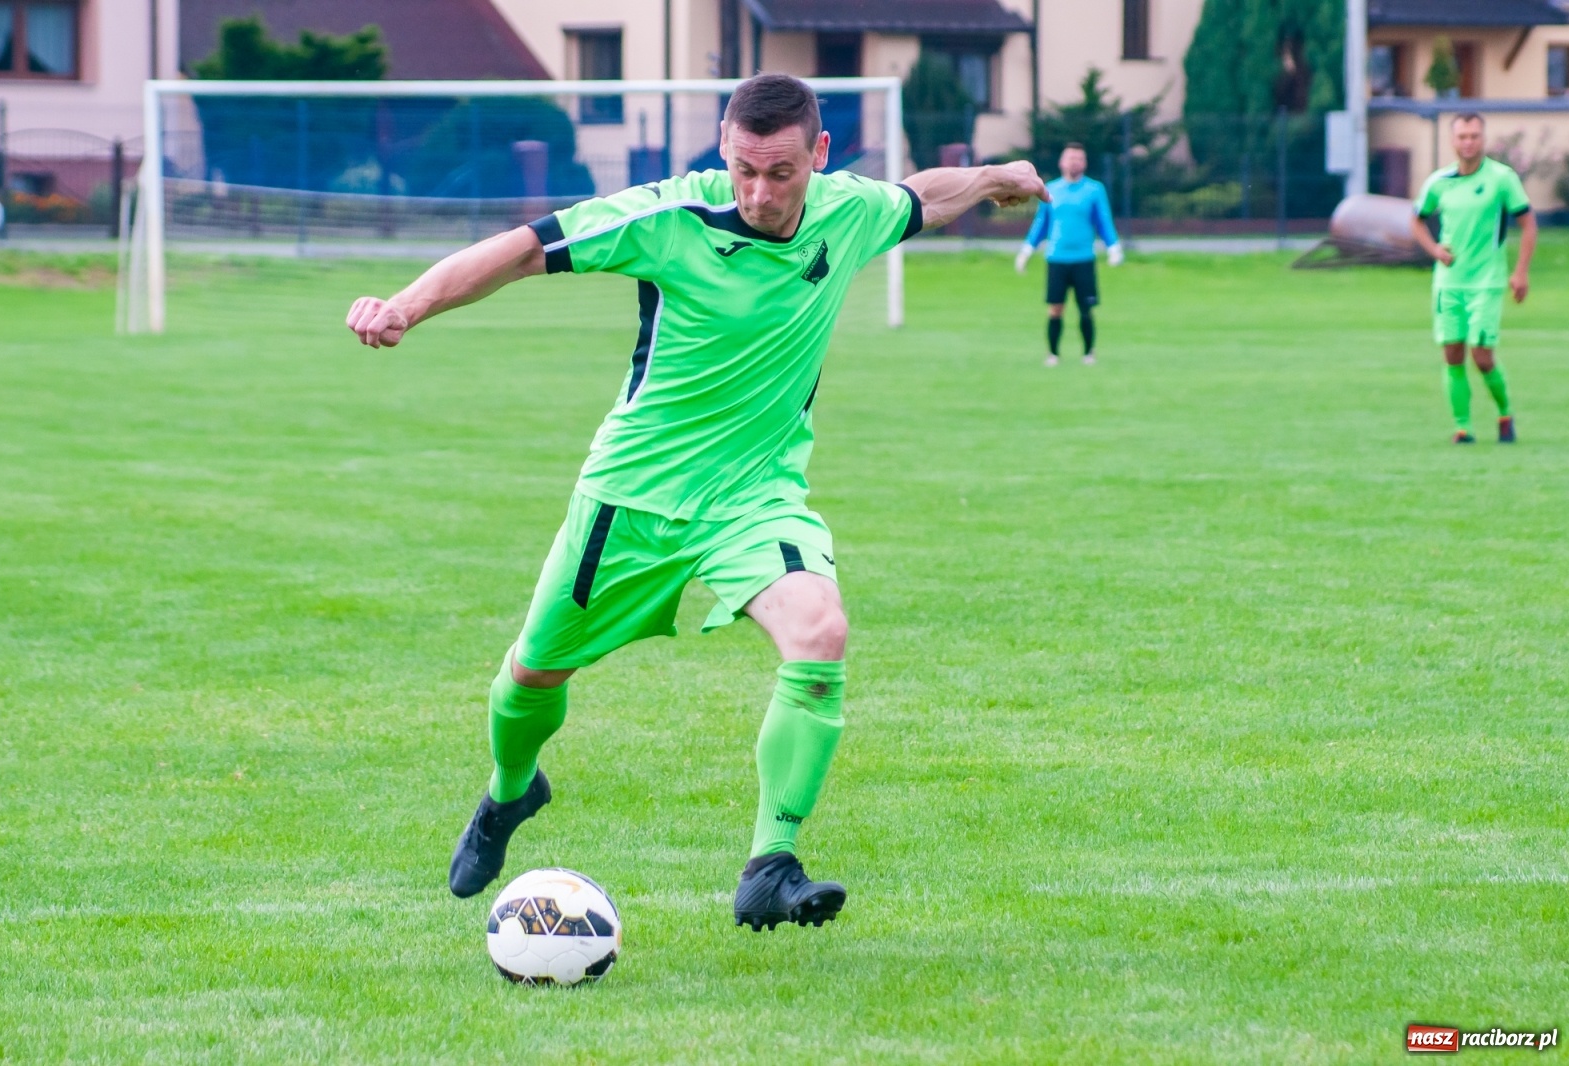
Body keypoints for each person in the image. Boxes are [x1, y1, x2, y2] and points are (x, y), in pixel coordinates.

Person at [344, 75, 1048, 933]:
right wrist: (406, 307)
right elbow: (523, 248)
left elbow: (916, 198)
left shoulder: (846, 212)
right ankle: (508, 793)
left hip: (757, 499)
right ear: (724, 146)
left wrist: (991, 177)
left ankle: (770, 863)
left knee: (819, 631)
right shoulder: (668, 219)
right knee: (530, 676)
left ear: (818, 157)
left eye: (781, 172)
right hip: (632, 497)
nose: (759, 191)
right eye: (745, 168)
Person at [1409, 112, 1537, 444]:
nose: (1468, 142)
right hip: (1448, 284)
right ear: (1453, 141)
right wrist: (1434, 249)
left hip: (1487, 282)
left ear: (1483, 139)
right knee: (1452, 354)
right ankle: (1463, 428)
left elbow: (1528, 224)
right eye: (1463, 136)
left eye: (1474, 136)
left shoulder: (1502, 178)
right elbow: (1417, 219)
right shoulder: (1439, 182)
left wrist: (1520, 272)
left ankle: (1505, 414)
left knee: (1481, 354)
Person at [1015, 143, 1123, 366]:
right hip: (1057, 258)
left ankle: (1088, 353)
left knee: (1085, 308)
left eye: (1080, 158)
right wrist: (1026, 251)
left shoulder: (1094, 190)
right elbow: (1041, 224)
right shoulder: (1051, 189)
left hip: (1084, 258)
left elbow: (1103, 221)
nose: (1075, 162)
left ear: (1084, 163)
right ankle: (1053, 354)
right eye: (1071, 158)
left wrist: (1113, 247)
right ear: (1062, 162)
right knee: (1055, 308)